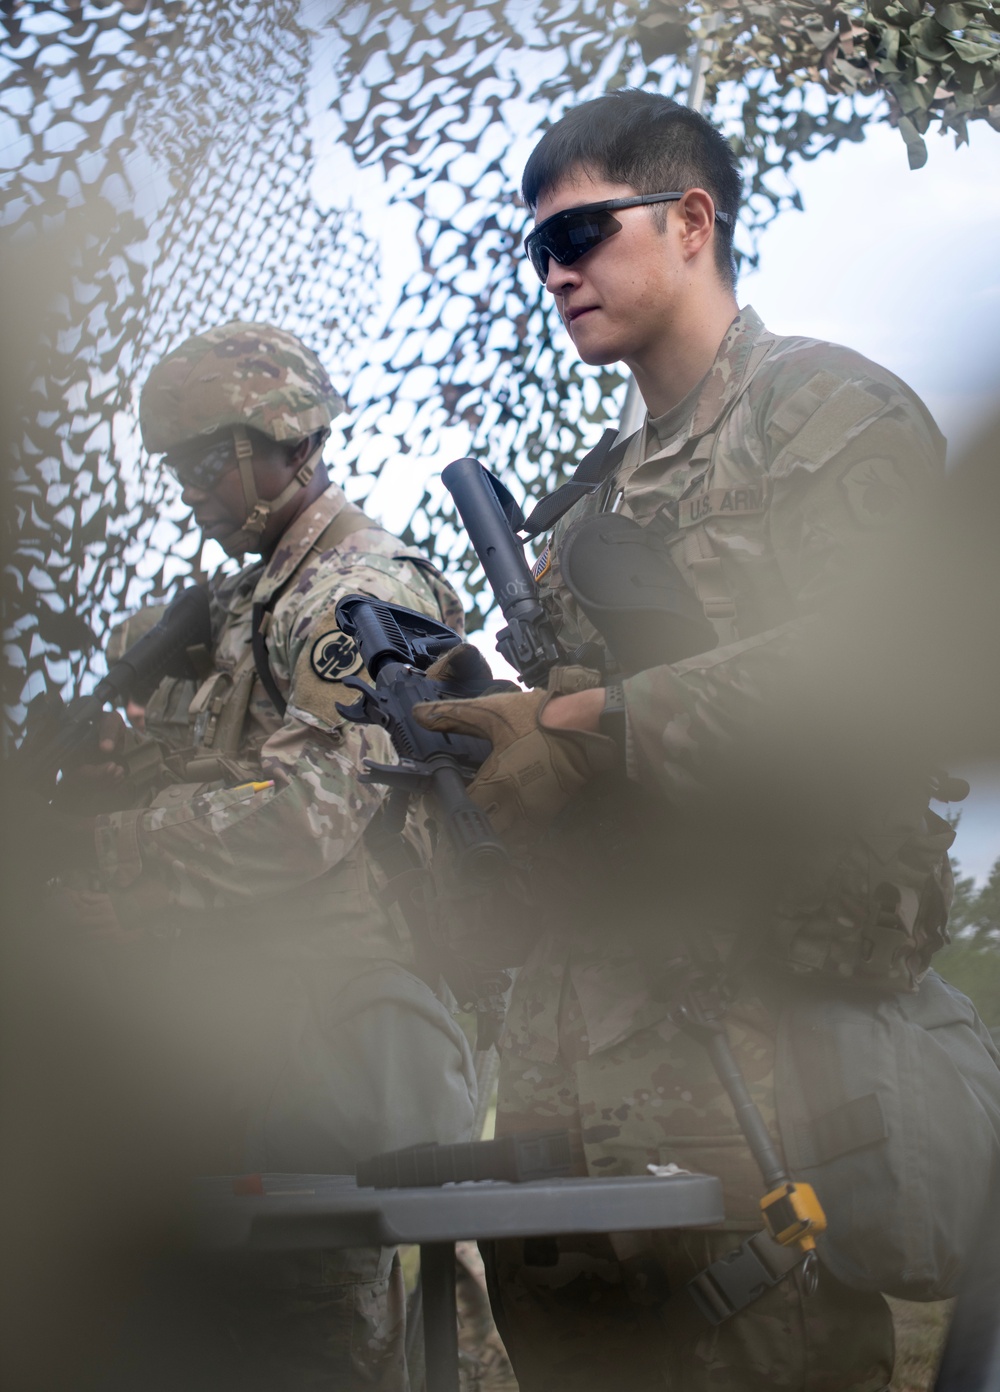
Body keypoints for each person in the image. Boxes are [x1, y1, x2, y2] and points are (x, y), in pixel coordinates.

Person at [415, 90, 995, 1391]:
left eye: (580, 235)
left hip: (773, 1090)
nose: (555, 274)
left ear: (690, 222)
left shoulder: (830, 417)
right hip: (581, 1096)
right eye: (536, 252)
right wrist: (482, 714)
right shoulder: (591, 500)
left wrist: (586, 726)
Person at [51, 321, 477, 1390]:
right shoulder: (250, 602)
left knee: (306, 1345)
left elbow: (317, 801)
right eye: (177, 466)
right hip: (240, 1040)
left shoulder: (357, 593)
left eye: (207, 460)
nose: (191, 488)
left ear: (284, 443)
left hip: (328, 1043)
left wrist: (121, 870)